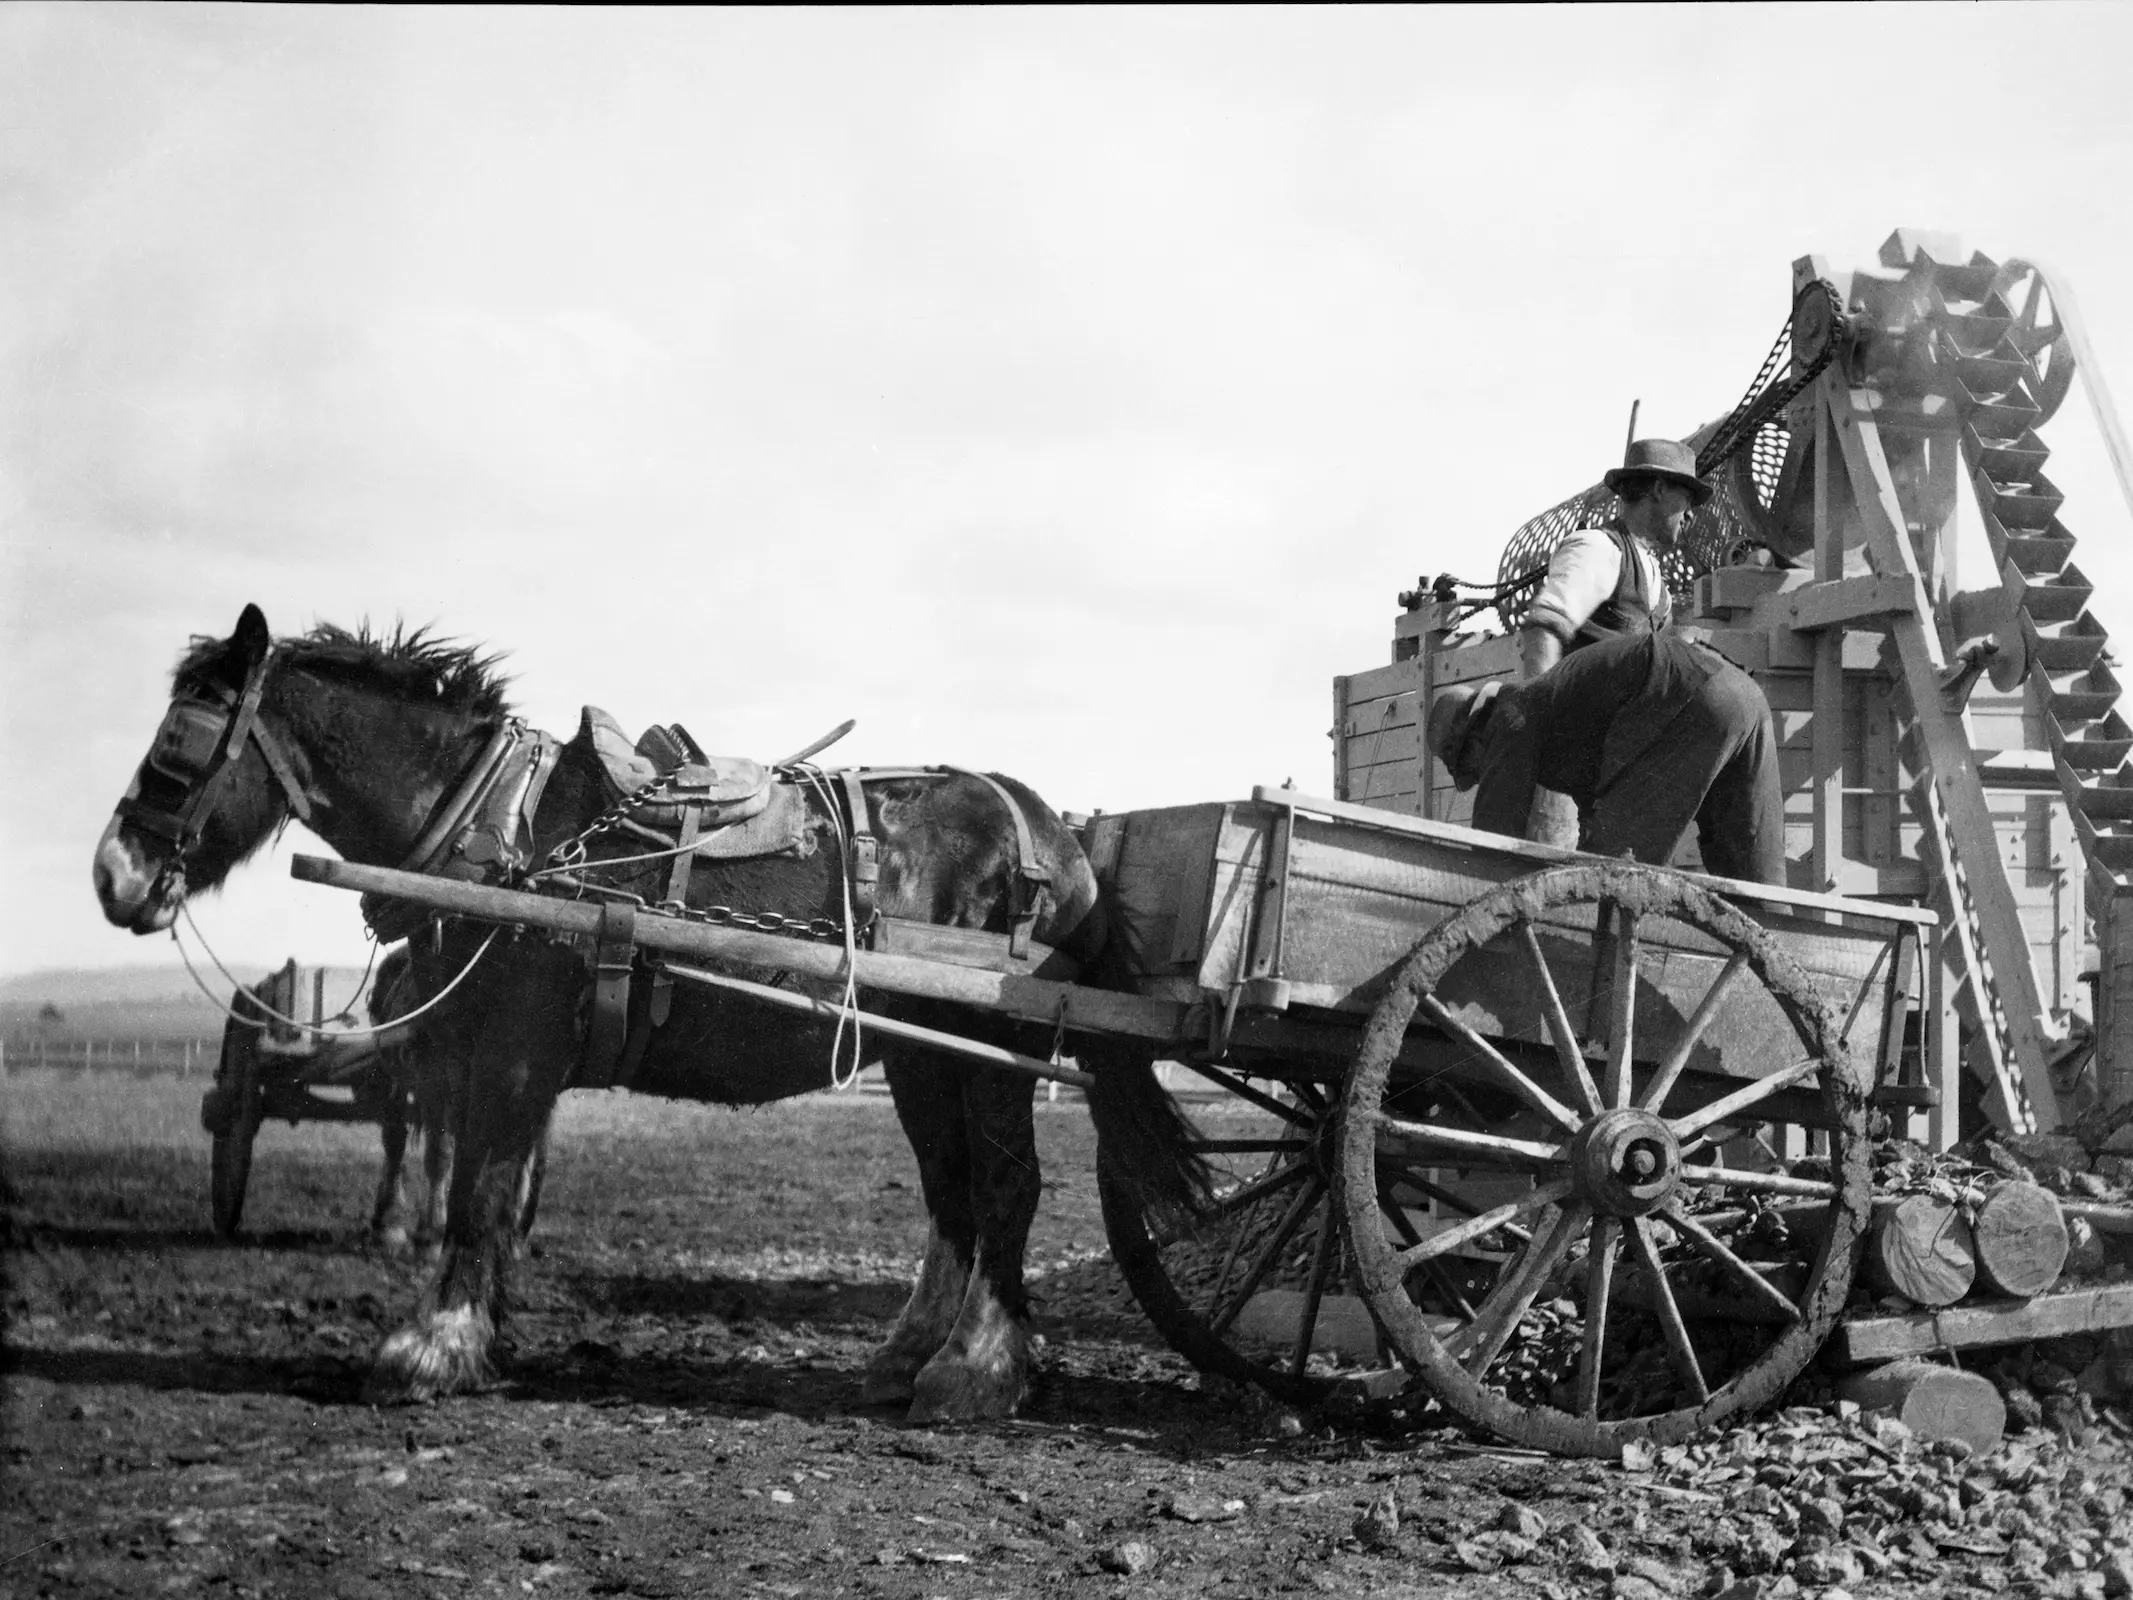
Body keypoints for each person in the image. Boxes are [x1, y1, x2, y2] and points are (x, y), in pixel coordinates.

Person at [1427, 627, 1787, 887]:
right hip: (1743, 694)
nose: (1478, 775)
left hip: (1689, 693)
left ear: (1474, 733)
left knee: (1610, 881)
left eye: (1468, 766)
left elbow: (1495, 839)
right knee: (1759, 889)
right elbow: (1599, 812)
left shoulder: (1509, 713)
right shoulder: (1560, 711)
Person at [1518, 437, 1711, 681]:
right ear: (1659, 490)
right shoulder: (1599, 549)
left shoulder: (1657, 583)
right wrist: (1539, 710)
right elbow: (1543, 630)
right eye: (1687, 499)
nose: (1690, 514)